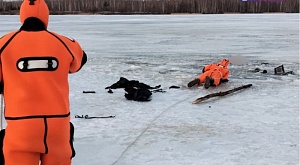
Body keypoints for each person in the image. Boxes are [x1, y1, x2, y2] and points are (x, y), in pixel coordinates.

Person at [0, 0, 87, 164]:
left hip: (21, 125)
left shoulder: (4, 44)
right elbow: (79, 62)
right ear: (46, 16)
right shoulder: (64, 42)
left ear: (22, 16)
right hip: (58, 125)